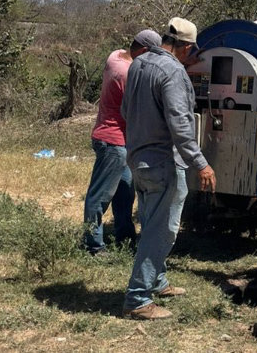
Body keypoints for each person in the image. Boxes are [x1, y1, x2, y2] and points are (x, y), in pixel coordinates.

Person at [120, 17, 217, 320]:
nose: (192, 56)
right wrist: (200, 163)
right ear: (185, 46)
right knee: (160, 231)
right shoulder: (173, 71)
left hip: (138, 159)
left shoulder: (138, 63)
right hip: (163, 161)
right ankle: (137, 299)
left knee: (151, 221)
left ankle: (158, 281)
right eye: (192, 50)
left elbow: (126, 110)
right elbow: (180, 123)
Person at [82, 29, 162, 256]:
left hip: (119, 141)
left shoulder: (115, 55)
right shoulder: (127, 74)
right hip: (113, 140)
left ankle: (126, 238)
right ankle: (92, 245)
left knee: (125, 192)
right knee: (100, 195)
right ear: (144, 51)